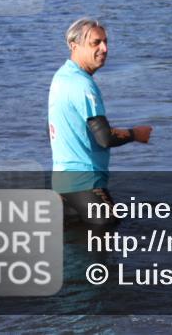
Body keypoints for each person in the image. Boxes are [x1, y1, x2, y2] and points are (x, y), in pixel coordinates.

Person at [48, 18, 153, 229]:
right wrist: (136, 134)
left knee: (76, 252)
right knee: (106, 247)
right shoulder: (82, 85)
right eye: (95, 43)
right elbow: (104, 137)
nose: (104, 48)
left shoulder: (61, 77)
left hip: (62, 184)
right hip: (86, 183)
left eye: (105, 42)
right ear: (74, 46)